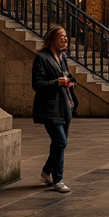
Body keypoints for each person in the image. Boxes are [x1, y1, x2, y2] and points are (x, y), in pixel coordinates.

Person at [32, 25, 76, 193]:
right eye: (61, 37)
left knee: (59, 144)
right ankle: (58, 179)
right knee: (60, 141)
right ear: (51, 39)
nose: (65, 39)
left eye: (65, 36)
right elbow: (37, 84)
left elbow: (66, 75)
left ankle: (45, 171)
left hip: (64, 106)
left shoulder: (62, 57)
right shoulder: (41, 58)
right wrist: (57, 82)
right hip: (49, 107)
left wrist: (69, 81)